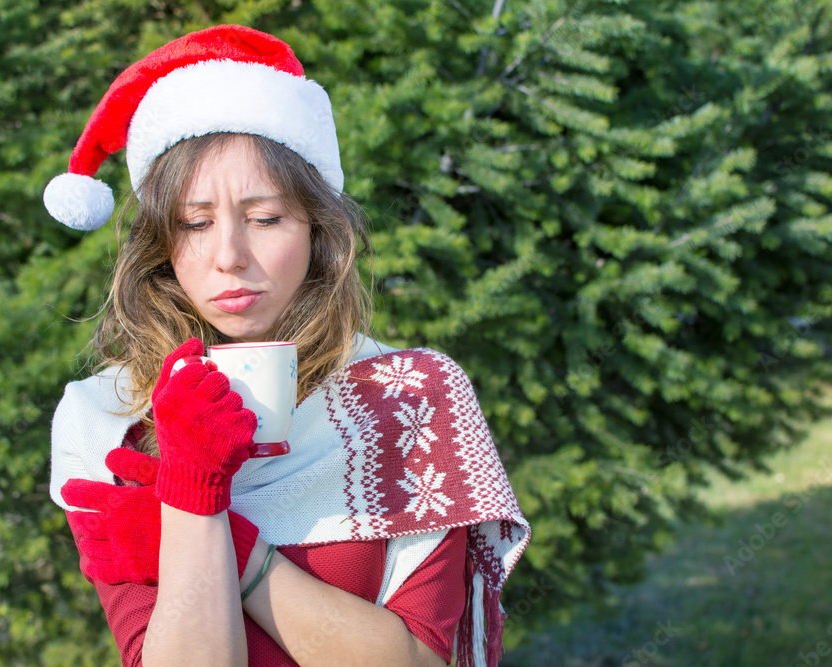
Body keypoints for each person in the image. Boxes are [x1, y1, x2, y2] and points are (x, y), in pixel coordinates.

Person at [44, 24, 530, 667]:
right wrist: (192, 489)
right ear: (160, 247)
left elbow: (419, 660)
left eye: (266, 218)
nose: (229, 258)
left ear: (317, 230)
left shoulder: (408, 398)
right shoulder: (106, 421)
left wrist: (238, 549)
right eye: (194, 223)